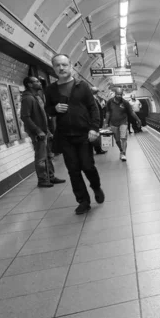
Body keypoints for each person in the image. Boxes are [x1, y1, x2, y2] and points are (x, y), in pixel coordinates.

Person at [44, 53, 105, 215]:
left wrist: (94, 128)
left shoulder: (82, 86)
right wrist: (54, 109)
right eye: (57, 65)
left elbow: (94, 108)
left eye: (64, 64)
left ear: (71, 66)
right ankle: (83, 201)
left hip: (84, 134)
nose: (61, 68)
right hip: (65, 137)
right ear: (54, 68)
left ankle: (96, 186)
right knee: (73, 170)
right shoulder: (51, 90)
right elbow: (47, 109)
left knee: (88, 166)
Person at [20, 76, 66, 188]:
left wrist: (48, 130)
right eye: (36, 81)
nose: (39, 83)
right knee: (41, 157)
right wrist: (38, 131)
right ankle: (42, 180)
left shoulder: (36, 97)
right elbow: (25, 117)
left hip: (44, 131)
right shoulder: (28, 98)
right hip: (38, 133)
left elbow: (43, 116)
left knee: (49, 156)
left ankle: (50, 176)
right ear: (30, 85)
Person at [105, 87, 140, 162]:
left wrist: (138, 120)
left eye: (121, 94)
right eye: (118, 94)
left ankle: (124, 153)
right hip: (113, 123)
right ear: (115, 93)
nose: (119, 96)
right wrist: (106, 123)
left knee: (123, 138)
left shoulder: (125, 102)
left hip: (123, 122)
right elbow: (108, 113)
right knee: (117, 140)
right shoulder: (109, 102)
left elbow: (131, 112)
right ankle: (121, 150)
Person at [91, 87, 107, 155]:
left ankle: (98, 149)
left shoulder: (95, 99)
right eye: (97, 92)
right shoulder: (92, 99)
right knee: (96, 135)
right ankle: (98, 149)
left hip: (97, 120)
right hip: (94, 121)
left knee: (97, 134)